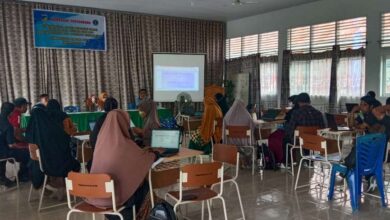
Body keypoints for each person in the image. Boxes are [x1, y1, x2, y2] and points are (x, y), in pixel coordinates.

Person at [86, 110, 162, 220]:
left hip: (96, 197)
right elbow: (144, 159)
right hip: (115, 201)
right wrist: (155, 154)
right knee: (143, 184)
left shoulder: (100, 144)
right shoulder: (126, 144)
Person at [26, 104, 80, 194]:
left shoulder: (30, 132)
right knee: (70, 161)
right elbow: (66, 141)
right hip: (57, 164)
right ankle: (63, 185)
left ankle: (48, 185)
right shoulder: (54, 129)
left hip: (39, 166)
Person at [283, 93, 325, 166]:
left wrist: (286, 132)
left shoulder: (296, 113)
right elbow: (323, 129)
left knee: (285, 139)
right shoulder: (319, 113)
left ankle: (288, 163)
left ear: (299, 102)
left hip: (300, 141)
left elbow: (290, 129)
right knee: (306, 136)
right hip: (315, 141)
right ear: (309, 101)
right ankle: (309, 161)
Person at [0, 102, 30, 186]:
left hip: (2, 150)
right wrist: (24, 146)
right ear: (10, 112)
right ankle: (22, 177)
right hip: (4, 153)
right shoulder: (7, 125)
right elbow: (11, 145)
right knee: (27, 154)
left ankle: (1, 176)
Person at [224, 100, 255, 168]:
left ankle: (240, 160)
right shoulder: (247, 116)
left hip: (231, 142)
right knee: (252, 139)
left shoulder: (227, 116)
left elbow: (224, 129)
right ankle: (247, 162)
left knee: (237, 144)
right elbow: (252, 127)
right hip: (245, 142)